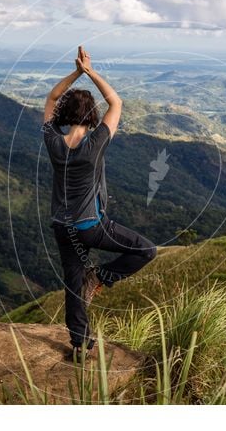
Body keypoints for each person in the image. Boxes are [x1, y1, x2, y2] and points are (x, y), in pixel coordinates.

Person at [43, 45, 157, 362]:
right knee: (146, 250)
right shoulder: (95, 143)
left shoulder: (52, 141)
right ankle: (102, 278)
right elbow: (116, 102)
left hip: (61, 228)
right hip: (91, 227)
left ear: (65, 115)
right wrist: (90, 72)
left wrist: (75, 73)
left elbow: (52, 98)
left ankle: (80, 345)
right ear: (91, 116)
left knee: (72, 282)